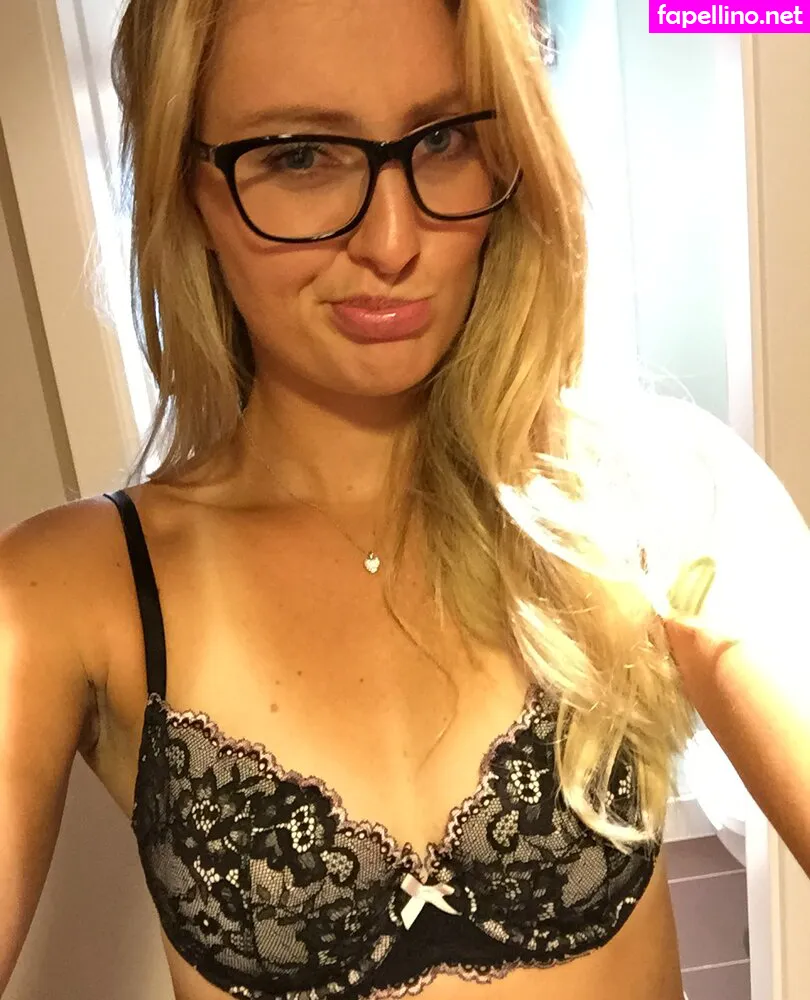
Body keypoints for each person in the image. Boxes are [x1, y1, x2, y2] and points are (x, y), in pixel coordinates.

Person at [1, 0, 808, 997]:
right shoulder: (69, 592)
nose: (393, 240)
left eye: (443, 139)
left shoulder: (650, 494)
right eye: (300, 156)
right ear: (193, 189)